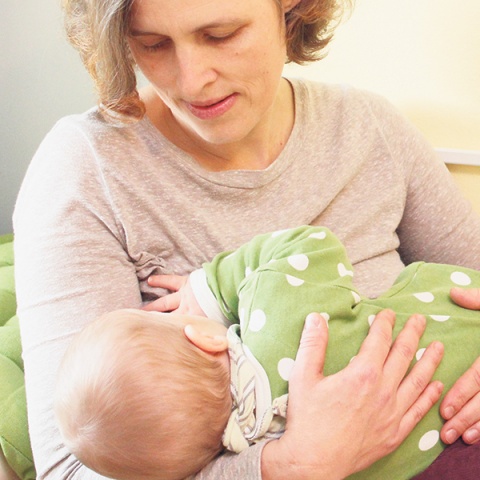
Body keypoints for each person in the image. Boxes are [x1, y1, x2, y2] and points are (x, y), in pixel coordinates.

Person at [12, 0, 480, 478]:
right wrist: (291, 465)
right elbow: (71, 470)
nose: (192, 81)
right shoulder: (86, 171)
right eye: (153, 45)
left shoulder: (368, 126)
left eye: (221, 34)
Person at [55, 225, 480, 480]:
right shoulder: (275, 311)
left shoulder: (242, 451)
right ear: (204, 338)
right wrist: (208, 290)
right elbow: (311, 242)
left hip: (438, 453)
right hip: (458, 328)